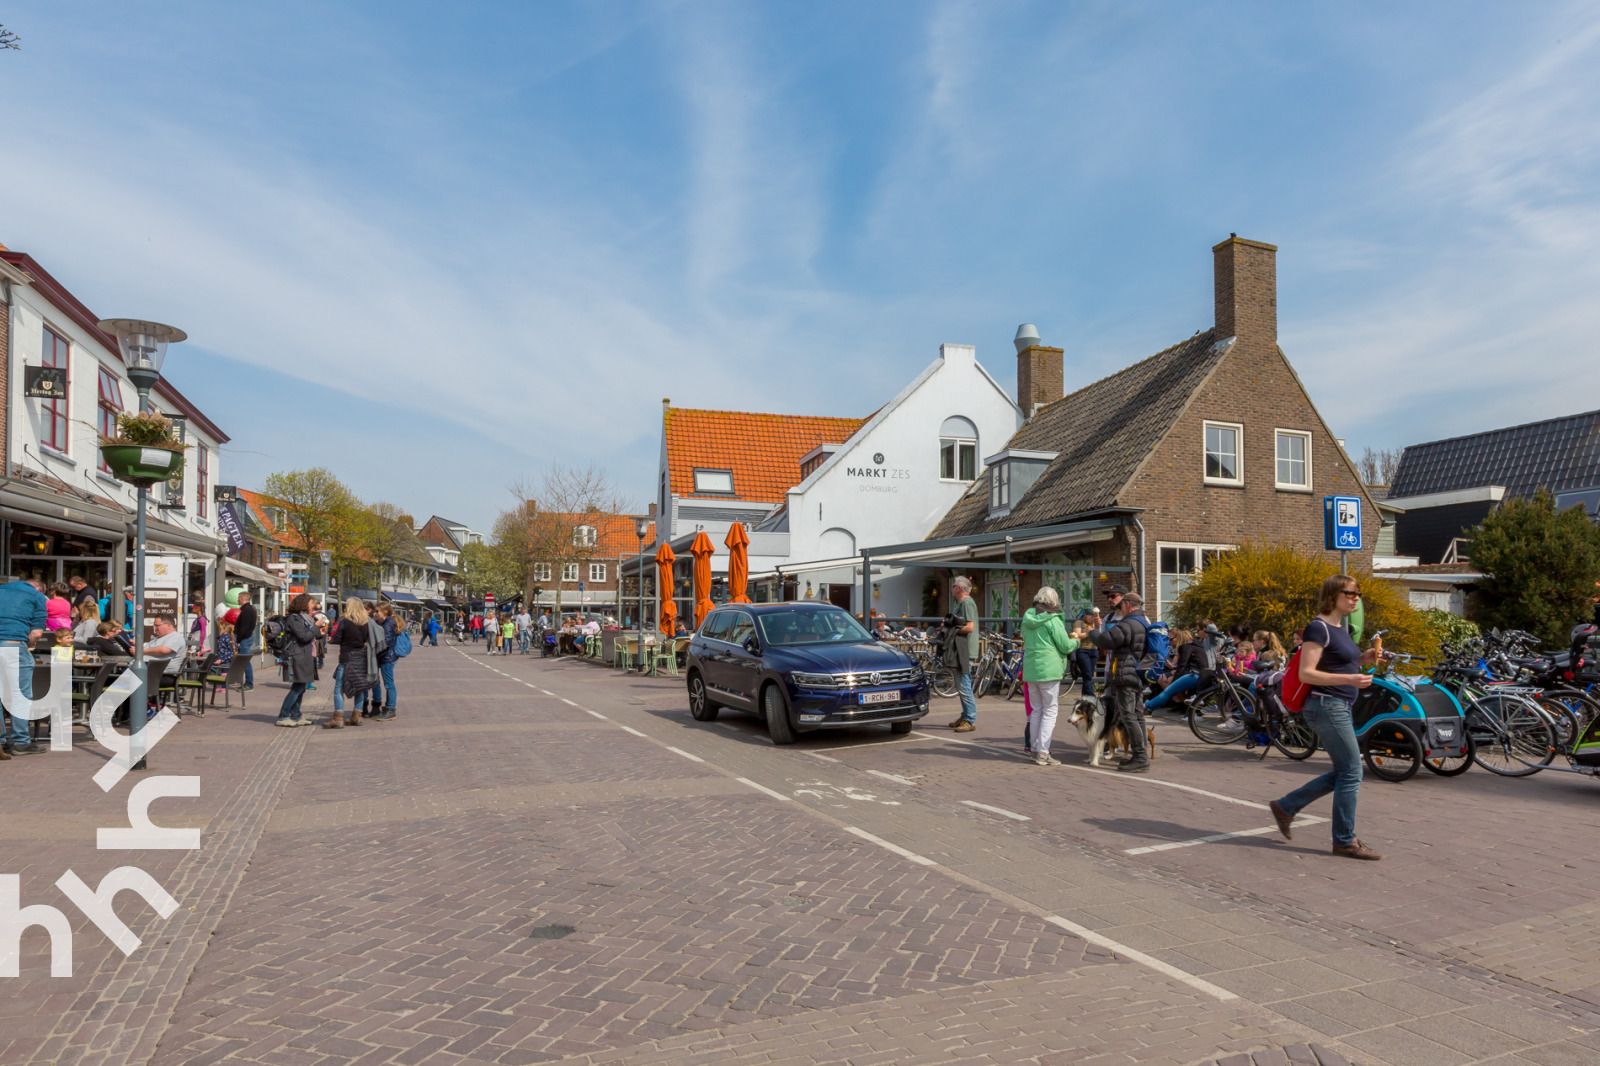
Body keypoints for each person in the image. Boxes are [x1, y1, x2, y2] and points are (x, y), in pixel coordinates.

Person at [1269, 576, 1384, 861]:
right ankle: (1344, 841)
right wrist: (1350, 678)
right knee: (1352, 772)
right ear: (1333, 595)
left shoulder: (1339, 628)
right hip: (1326, 705)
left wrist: (1363, 659)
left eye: (1358, 594)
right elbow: (1307, 673)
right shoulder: (1317, 628)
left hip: (1339, 704)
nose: (1356, 598)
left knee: (1345, 771)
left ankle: (1286, 806)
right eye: (1351, 593)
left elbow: (1336, 661)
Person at [1021, 587, 1083, 766]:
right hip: (1049, 669)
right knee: (1050, 711)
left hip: (1031, 668)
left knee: (1036, 710)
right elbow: (1064, 646)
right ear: (1054, 602)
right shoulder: (1053, 619)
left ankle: (1034, 748)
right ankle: (1043, 751)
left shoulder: (1027, 618)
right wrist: (1077, 640)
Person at [1092, 590, 1152, 772]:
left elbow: (1106, 640)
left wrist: (1092, 633)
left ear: (1127, 605)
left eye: (1122, 605)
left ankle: (1140, 757)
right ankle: (1139, 753)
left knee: (1128, 715)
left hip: (1126, 674)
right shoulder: (1143, 621)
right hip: (1138, 673)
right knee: (1137, 713)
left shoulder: (1129, 623)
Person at [326, 596, 374, 728]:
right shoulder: (366, 622)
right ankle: (356, 716)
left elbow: (336, 639)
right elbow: (368, 639)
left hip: (346, 657)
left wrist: (331, 639)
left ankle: (338, 718)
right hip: (360, 658)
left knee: (338, 688)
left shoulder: (344, 622)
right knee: (359, 687)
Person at [1146, 627, 1216, 713]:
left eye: (1171, 639)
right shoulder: (1197, 646)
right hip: (1204, 675)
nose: (1170, 642)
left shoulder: (1185, 647)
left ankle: (1147, 706)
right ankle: (1190, 713)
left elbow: (1181, 667)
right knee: (1170, 689)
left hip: (1194, 675)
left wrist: (1173, 682)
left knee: (1168, 691)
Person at [277, 593, 319, 727]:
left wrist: (319, 629)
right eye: (312, 603)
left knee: (301, 687)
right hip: (297, 656)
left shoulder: (306, 619)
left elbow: (314, 635)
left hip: (305, 655)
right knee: (297, 687)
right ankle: (283, 716)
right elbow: (304, 637)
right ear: (304, 604)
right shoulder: (294, 619)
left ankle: (296, 715)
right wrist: (315, 626)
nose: (315, 606)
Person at [946, 576, 980, 732]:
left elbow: (970, 627)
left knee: (965, 685)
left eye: (953, 586)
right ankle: (965, 715)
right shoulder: (958, 603)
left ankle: (970, 719)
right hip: (960, 649)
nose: (952, 588)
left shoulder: (967, 603)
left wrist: (952, 628)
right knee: (961, 685)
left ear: (959, 588)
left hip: (965, 650)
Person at [142, 616, 189, 707]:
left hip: (164, 676)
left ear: (168, 625)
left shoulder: (175, 637)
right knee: (119, 679)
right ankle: (120, 712)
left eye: (157, 625)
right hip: (151, 673)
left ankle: (143, 711)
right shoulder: (159, 638)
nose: (155, 628)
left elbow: (164, 650)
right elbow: (146, 647)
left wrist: (141, 651)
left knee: (131, 681)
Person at [373, 602, 399, 719]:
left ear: (385, 612)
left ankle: (391, 708)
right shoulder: (382, 622)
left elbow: (386, 642)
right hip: (383, 656)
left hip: (386, 657)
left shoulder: (388, 624)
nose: (375, 613)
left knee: (389, 684)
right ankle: (387, 707)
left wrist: (373, 648)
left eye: (377, 611)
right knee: (385, 683)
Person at [234, 590, 258, 690]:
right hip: (246, 638)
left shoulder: (247, 610)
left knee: (245, 661)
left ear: (243, 598)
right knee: (244, 661)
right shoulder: (249, 609)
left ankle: (249, 684)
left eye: (239, 598)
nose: (237, 600)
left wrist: (238, 639)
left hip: (245, 639)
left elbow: (244, 627)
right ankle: (245, 682)